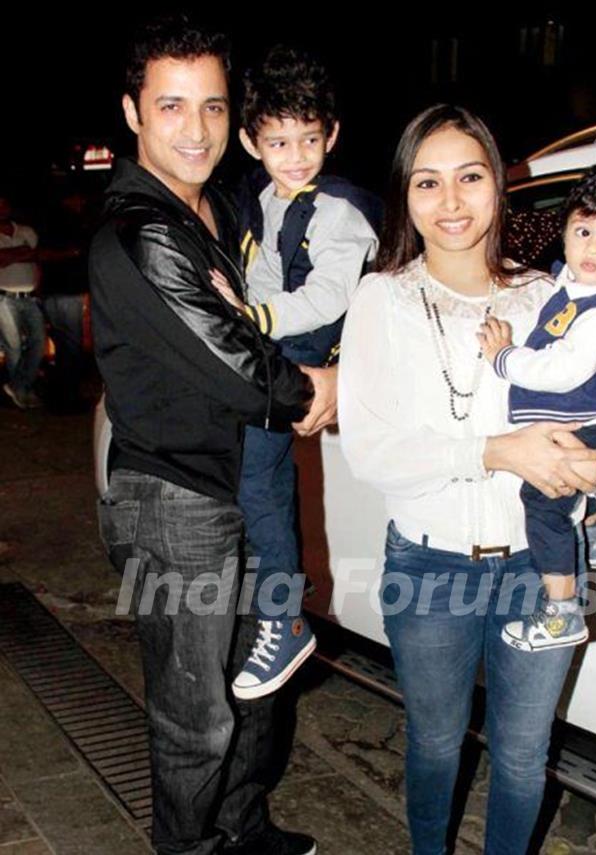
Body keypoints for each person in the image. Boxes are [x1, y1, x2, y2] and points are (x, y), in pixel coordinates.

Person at [338, 105, 596, 855]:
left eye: (469, 177)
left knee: (522, 755)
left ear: (499, 186)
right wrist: (497, 451)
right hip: (429, 566)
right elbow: (371, 451)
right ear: (404, 195)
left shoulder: (551, 299)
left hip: (541, 573)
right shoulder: (383, 299)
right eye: (428, 182)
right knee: (436, 745)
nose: (450, 202)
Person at [90, 14, 334, 855]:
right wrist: (313, 389)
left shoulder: (215, 213)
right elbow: (237, 362)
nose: (197, 130)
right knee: (194, 715)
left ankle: (241, 827)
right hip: (174, 501)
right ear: (133, 113)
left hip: (229, 486)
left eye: (213, 107)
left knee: (254, 682)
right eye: (171, 106)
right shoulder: (142, 232)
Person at [209, 45, 379, 701]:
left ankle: (283, 618)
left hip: (297, 351)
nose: (297, 154)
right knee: (255, 483)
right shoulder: (262, 196)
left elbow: (326, 296)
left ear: (330, 135)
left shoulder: (338, 208)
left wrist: (251, 316)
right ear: (253, 142)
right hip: (271, 350)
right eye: (279, 141)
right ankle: (269, 601)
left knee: (260, 480)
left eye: (309, 139)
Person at [479, 156, 596, 652]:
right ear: (563, 229)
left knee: (541, 505)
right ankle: (594, 532)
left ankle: (563, 613)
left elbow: (558, 371)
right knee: (566, 498)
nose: (594, 248)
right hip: (591, 423)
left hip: (584, 428)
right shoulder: (576, 290)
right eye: (583, 230)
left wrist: (503, 358)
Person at [0, 193, 45, 409]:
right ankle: (22, 390)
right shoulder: (23, 238)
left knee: (38, 342)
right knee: (14, 347)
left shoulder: (26, 231)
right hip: (5, 297)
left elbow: (38, 257)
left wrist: (11, 255)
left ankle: (18, 386)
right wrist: (23, 252)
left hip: (29, 296)